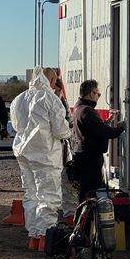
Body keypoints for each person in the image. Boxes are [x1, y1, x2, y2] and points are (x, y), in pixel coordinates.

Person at [10, 67, 71, 251]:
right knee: (48, 196)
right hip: (45, 154)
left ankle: (34, 237)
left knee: (32, 195)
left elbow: (15, 125)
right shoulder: (51, 99)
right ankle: (45, 237)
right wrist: (68, 130)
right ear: (52, 81)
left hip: (23, 152)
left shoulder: (19, 99)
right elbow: (60, 130)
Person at [73, 79, 125, 203]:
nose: (98, 96)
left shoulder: (79, 108)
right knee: (91, 194)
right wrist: (120, 128)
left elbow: (93, 129)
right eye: (98, 94)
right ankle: (88, 220)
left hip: (82, 157)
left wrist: (108, 120)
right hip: (90, 159)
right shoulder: (87, 110)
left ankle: (83, 219)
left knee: (85, 193)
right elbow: (103, 132)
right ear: (91, 93)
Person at [54, 78, 76, 225]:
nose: (55, 92)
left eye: (57, 90)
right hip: (55, 150)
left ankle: (70, 216)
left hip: (63, 150)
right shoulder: (53, 102)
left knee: (67, 183)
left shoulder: (60, 102)